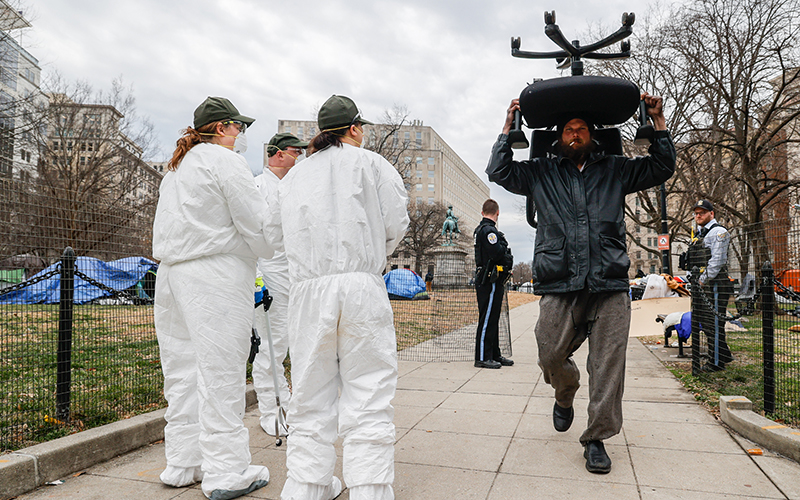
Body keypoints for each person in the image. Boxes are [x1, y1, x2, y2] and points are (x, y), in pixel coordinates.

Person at [486, 93, 676, 474]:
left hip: (609, 283)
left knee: (608, 366)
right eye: (569, 130)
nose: (576, 134)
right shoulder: (540, 171)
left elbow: (661, 166)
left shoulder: (616, 169)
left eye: (582, 129)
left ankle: (596, 438)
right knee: (549, 354)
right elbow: (499, 172)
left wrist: (657, 122)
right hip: (560, 283)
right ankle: (565, 390)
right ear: (559, 138)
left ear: (592, 136)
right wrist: (510, 126)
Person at [275, 95, 409, 500]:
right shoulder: (372, 165)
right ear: (354, 129)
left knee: (310, 391)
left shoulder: (295, 176)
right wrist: (372, 252)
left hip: (309, 290)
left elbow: (274, 232)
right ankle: (369, 490)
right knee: (368, 390)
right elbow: (396, 221)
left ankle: (306, 487)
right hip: (359, 284)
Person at [152, 96, 278, 500]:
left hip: (171, 273)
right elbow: (256, 223)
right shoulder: (224, 161)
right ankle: (226, 469)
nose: (241, 135)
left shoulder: (175, 169)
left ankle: (183, 461)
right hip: (214, 272)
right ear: (223, 127)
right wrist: (267, 246)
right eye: (238, 127)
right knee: (221, 369)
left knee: (182, 369)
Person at [252, 132, 308, 437]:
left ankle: (290, 406)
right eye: (294, 152)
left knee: (293, 344)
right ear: (276, 154)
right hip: (269, 273)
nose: (298, 157)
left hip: (295, 274)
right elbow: (251, 233)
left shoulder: (295, 187)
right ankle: (271, 409)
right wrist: (256, 276)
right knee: (271, 347)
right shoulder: (258, 187)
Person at [689, 199, 733, 371]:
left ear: (711, 214)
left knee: (713, 322)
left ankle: (716, 362)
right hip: (702, 285)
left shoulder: (718, 232)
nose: (698, 215)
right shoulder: (699, 234)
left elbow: (717, 260)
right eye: (696, 213)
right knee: (705, 322)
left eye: (702, 213)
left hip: (715, 285)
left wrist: (702, 279)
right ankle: (724, 354)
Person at [473, 199, 514, 369]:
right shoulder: (489, 231)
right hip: (488, 279)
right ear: (498, 213)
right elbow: (496, 253)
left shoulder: (484, 230)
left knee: (493, 318)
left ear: (482, 212)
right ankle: (482, 356)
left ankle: (493, 354)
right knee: (487, 318)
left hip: (492, 279)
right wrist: (504, 248)